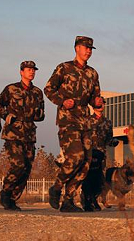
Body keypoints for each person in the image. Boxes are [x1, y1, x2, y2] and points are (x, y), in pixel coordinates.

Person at [44, 36, 102, 212]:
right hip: (68, 119)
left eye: (91, 49)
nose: (88, 51)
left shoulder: (93, 73)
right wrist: (62, 101)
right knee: (75, 156)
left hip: (85, 121)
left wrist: (98, 101)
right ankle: (56, 187)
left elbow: (94, 97)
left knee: (86, 162)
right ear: (77, 48)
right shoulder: (64, 68)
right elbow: (48, 89)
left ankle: (68, 200)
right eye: (86, 47)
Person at [0, 61, 45, 211]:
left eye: (33, 70)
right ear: (21, 72)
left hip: (29, 134)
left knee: (27, 168)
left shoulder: (37, 92)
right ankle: (6, 191)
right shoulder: (11, 89)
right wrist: (5, 114)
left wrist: (37, 114)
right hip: (13, 134)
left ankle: (12, 199)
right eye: (28, 70)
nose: (31, 72)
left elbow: (41, 114)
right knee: (18, 164)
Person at [81, 97, 119, 211]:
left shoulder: (107, 122)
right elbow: (82, 136)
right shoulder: (87, 120)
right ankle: (86, 200)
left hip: (101, 154)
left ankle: (94, 199)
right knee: (88, 178)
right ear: (93, 106)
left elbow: (108, 139)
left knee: (100, 179)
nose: (101, 105)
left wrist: (113, 142)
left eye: (102, 103)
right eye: (98, 104)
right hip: (89, 154)